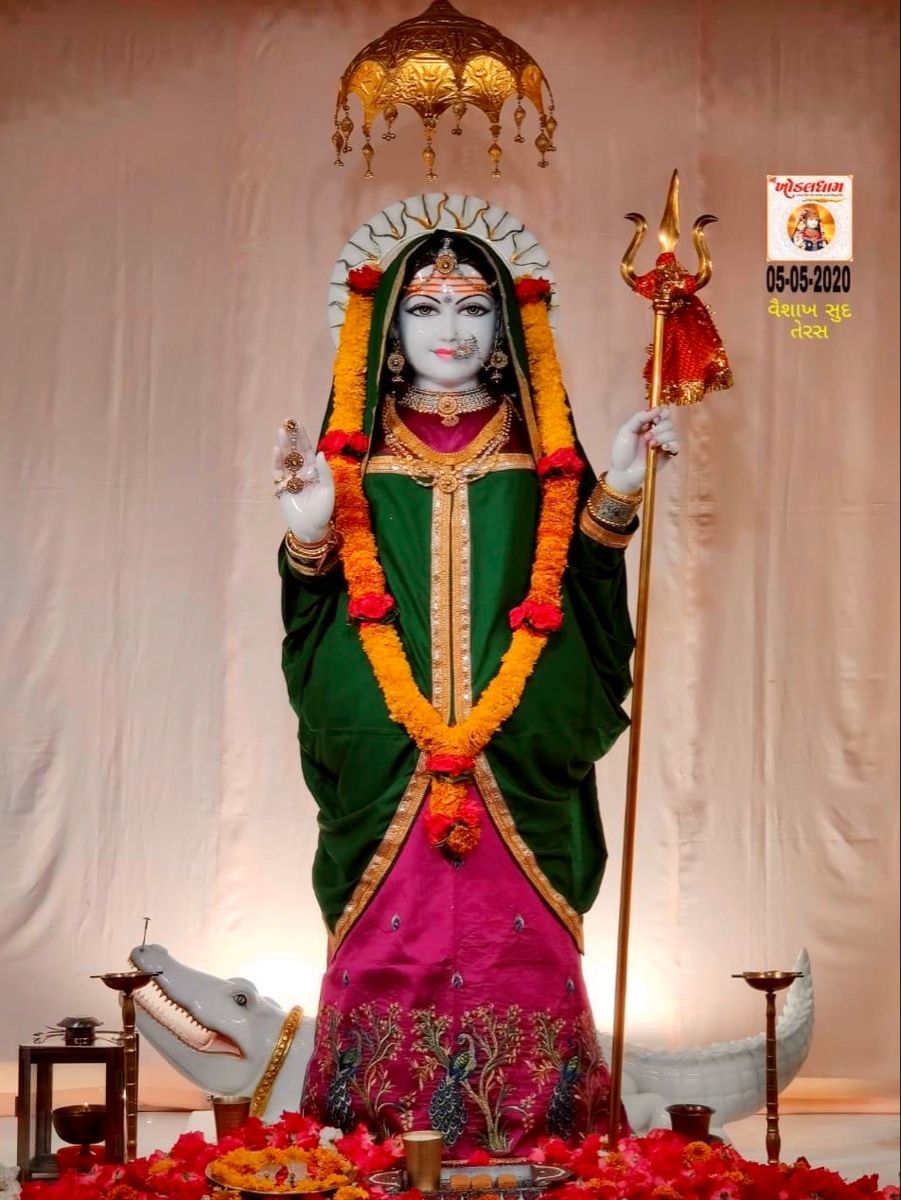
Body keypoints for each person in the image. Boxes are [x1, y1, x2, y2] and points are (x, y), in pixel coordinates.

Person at [273, 230, 678, 1155]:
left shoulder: (539, 452)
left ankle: (537, 1130)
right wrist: (307, 532)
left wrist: (619, 481)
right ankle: (375, 1133)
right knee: (390, 931)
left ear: (507, 329)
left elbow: (584, 569)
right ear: (386, 330)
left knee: (516, 936)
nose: (447, 331)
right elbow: (313, 597)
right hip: (386, 744)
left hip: (517, 736)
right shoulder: (355, 454)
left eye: (471, 309)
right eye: (423, 309)